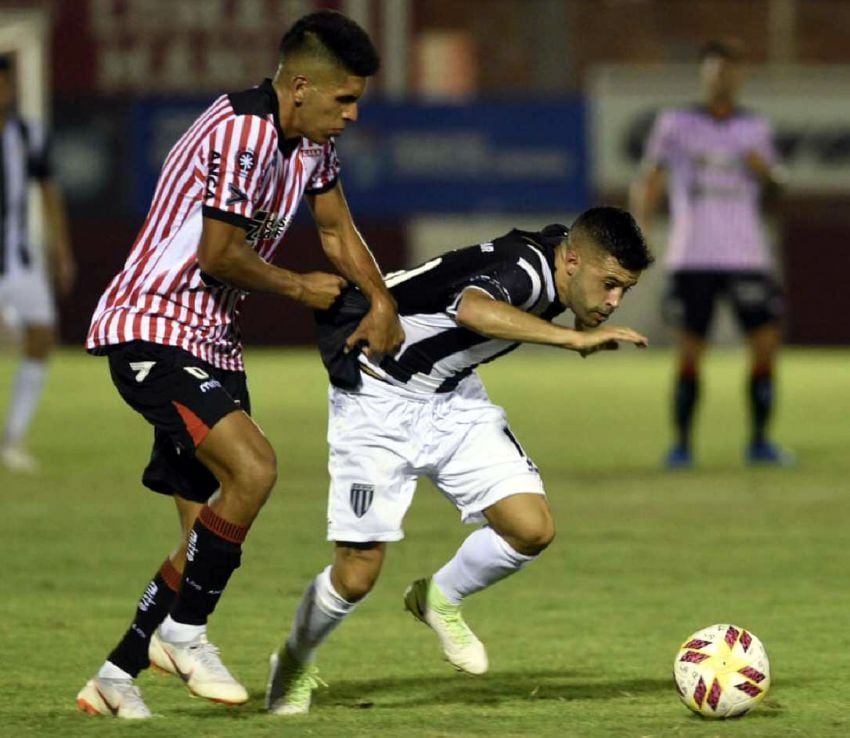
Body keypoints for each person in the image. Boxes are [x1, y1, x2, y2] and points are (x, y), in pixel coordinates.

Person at [76, 10, 403, 720]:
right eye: (342, 100)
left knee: (208, 536)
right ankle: (186, 632)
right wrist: (301, 286)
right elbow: (217, 254)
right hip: (152, 327)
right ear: (300, 85)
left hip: (211, 340)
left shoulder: (312, 145)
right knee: (254, 469)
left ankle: (116, 672)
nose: (349, 115)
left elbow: (336, 228)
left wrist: (381, 300)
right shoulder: (243, 130)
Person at [265, 206, 653, 716]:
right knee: (357, 573)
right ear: (573, 261)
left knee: (530, 527)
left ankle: (438, 597)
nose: (613, 301)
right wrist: (572, 338)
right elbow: (472, 308)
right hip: (377, 396)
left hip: (450, 398)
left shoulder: (565, 257)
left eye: (624, 289)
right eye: (609, 285)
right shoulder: (528, 271)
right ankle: (294, 660)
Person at [630, 39, 792, 469]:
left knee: (765, 346)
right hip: (693, 255)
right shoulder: (676, 124)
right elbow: (649, 180)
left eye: (730, 71)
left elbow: (778, 189)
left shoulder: (755, 128)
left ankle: (759, 441)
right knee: (689, 352)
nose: (723, 78)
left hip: (746, 256)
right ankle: (682, 445)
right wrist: (638, 235)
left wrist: (766, 173)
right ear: (704, 75)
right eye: (715, 70)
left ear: (740, 77)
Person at [0, 55, 75, 472]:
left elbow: (48, 191)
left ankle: (13, 437)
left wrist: (60, 250)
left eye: (8, 85)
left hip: (18, 258)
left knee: (43, 334)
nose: (5, 94)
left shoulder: (27, 134)